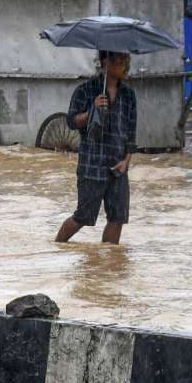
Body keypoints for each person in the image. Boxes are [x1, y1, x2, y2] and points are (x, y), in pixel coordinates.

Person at [55, 51, 137, 245]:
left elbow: (131, 134)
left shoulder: (129, 95)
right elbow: (71, 122)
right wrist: (92, 110)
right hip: (91, 166)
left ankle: (107, 265)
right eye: (119, 61)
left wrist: (126, 162)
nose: (125, 65)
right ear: (104, 62)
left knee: (117, 218)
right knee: (83, 216)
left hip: (118, 167)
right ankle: (57, 245)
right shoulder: (85, 90)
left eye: (126, 61)